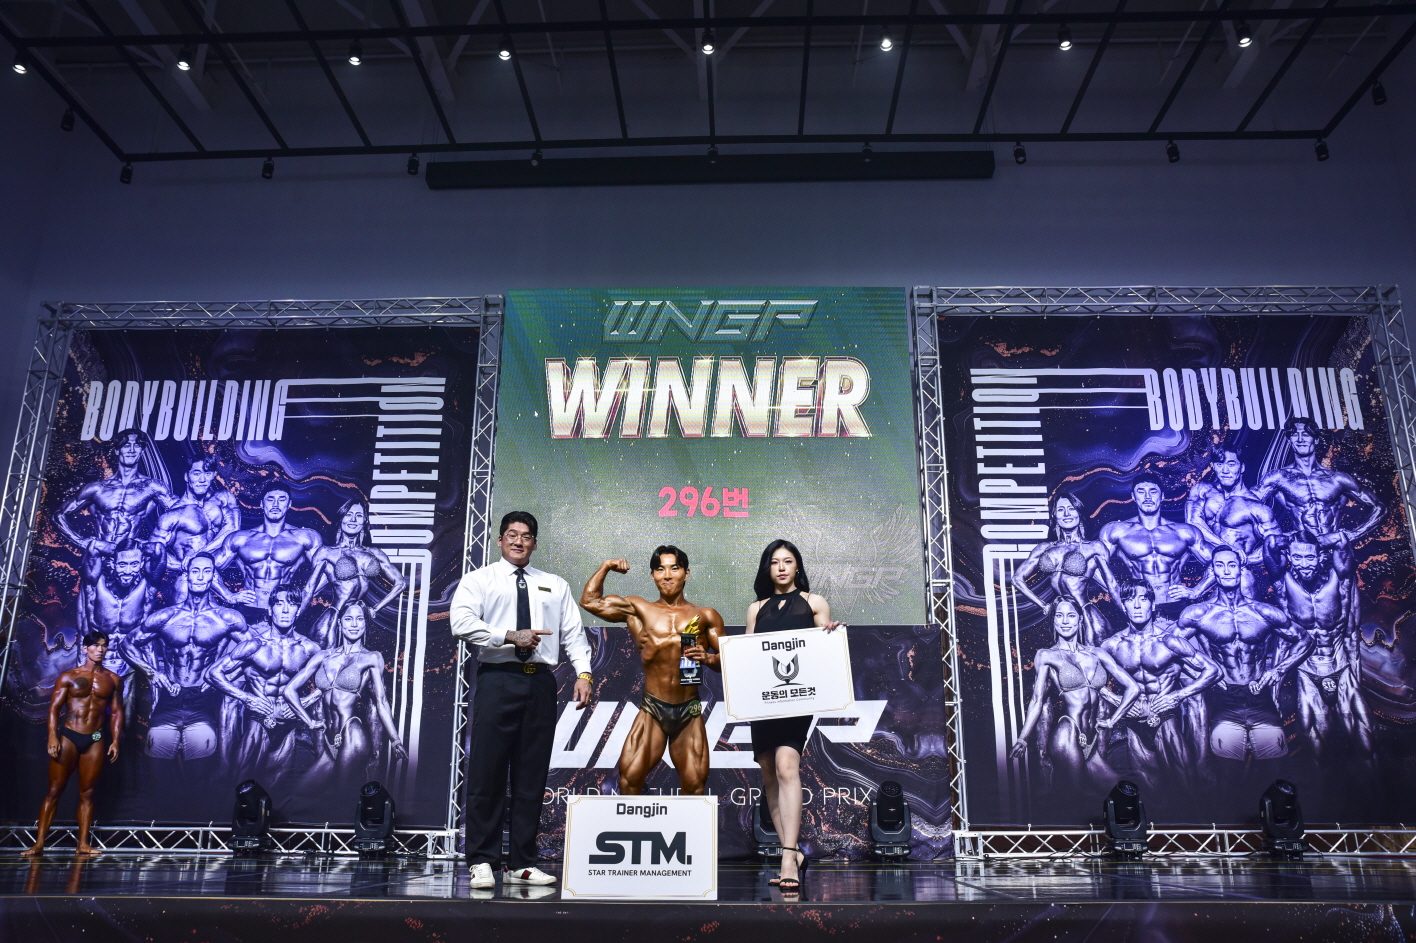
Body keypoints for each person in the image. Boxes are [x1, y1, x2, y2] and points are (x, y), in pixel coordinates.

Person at [450, 511, 593, 890]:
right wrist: (509, 635)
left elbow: (573, 633)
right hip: (498, 679)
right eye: (511, 535)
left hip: (540, 683)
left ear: (535, 543)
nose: (518, 541)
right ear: (500, 540)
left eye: (526, 536)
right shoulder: (480, 579)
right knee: (488, 773)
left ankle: (522, 863)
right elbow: (460, 623)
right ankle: (483, 860)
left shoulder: (554, 584)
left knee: (532, 776)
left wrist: (583, 673)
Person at [579, 546, 724, 795]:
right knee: (629, 780)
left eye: (674, 568)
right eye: (660, 569)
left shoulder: (706, 615)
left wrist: (709, 658)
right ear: (652, 576)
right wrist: (606, 566)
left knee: (694, 786)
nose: (667, 575)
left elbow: (731, 661)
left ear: (686, 573)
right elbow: (589, 601)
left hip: (688, 711)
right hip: (653, 709)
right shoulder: (638, 609)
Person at [745, 539, 843, 892]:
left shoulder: (814, 602)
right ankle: (794, 852)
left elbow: (823, 648)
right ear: (767, 568)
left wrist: (830, 633)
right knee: (770, 774)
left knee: (787, 765)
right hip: (763, 701)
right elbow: (747, 655)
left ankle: (787, 856)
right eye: (775, 562)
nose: (782, 567)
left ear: (797, 566)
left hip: (797, 697)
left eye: (788, 561)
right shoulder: (756, 608)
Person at [1177, 545, 1313, 779]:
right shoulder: (1199, 614)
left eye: (1232, 565)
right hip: (1224, 699)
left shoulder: (1263, 612)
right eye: (1220, 565)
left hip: (1260, 698)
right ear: (1212, 571)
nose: (1226, 570)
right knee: (1228, 779)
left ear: (1241, 569)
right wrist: (1205, 671)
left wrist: (1278, 670)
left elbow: (1305, 640)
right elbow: (1170, 646)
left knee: (1274, 775)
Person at [120, 552, 246, 767]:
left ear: (213, 576)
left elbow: (253, 650)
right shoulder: (166, 617)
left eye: (206, 571)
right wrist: (153, 673)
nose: (200, 576)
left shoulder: (226, 618)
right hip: (169, 698)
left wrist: (221, 673)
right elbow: (126, 644)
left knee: (198, 771)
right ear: (186, 575)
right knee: (158, 770)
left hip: (203, 700)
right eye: (195, 571)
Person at [1099, 582, 1220, 792]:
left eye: (1143, 599)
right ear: (1124, 606)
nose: (1137, 605)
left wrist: (1178, 696)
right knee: (1151, 795)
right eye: (1130, 600)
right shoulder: (1112, 645)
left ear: (1153, 605)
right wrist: (1118, 700)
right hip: (1134, 724)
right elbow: (1089, 680)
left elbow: (1214, 671)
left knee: (1186, 790)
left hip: (1165, 719)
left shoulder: (1168, 642)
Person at [1010, 598, 1141, 791]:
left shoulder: (1097, 653)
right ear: (1054, 620)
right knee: (1078, 798)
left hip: (1090, 740)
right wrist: (1023, 738)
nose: (1065, 621)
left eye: (1071, 616)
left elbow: (1133, 688)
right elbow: (1037, 700)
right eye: (1059, 616)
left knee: (1121, 790)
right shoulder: (1046, 655)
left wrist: (1112, 721)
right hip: (1067, 734)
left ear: (1080, 619)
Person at [23, 630, 125, 858]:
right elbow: (54, 708)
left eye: (104, 645)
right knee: (54, 791)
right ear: (85, 648)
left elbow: (117, 712)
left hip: (95, 738)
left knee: (88, 793)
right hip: (69, 735)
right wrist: (52, 736)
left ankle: (83, 844)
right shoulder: (69, 676)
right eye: (95, 645)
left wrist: (116, 740)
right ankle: (38, 844)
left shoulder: (113, 680)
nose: (100, 649)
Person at [283, 600, 407, 784]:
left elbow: (381, 702)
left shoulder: (372, 658)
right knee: (300, 794)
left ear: (365, 623)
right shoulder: (323, 656)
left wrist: (395, 740)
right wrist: (309, 722)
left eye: (360, 619)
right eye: (349, 619)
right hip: (329, 739)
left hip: (352, 735)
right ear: (340, 622)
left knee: (341, 796)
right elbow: (289, 690)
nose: (354, 624)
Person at [209, 584, 322, 782]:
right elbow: (213, 674)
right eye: (279, 604)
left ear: (298, 611)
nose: (285, 610)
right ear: (270, 610)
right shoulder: (255, 646)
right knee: (240, 783)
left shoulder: (309, 648)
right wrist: (247, 698)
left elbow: (331, 681)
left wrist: (303, 703)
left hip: (289, 725)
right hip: (260, 720)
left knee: (277, 790)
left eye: (291, 604)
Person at [1013, 493, 1121, 645]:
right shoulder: (1044, 548)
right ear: (1054, 515)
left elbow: (1111, 585)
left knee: (1096, 658)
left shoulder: (1094, 547)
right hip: (1061, 615)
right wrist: (1043, 605)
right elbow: (1017, 579)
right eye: (1061, 509)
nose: (1066, 514)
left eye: (1071, 509)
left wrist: (1128, 612)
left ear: (1079, 513)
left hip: (1087, 616)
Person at [302, 497, 408, 648]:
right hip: (334, 619)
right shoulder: (326, 552)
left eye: (358, 516)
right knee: (325, 660)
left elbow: (400, 583)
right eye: (349, 515)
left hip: (358, 618)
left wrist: (375, 609)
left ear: (364, 521)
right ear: (341, 518)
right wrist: (294, 616)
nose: (353, 520)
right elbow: (310, 590)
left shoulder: (374, 553)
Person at [213, 479, 323, 618]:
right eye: (270, 499)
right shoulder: (240, 538)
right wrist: (228, 596)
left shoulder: (304, 538)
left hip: (283, 612)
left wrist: (306, 595)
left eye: (282, 500)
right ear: (261, 504)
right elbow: (206, 567)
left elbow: (327, 570)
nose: (275, 504)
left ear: (289, 504)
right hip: (248, 609)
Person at [1099, 472, 1212, 606]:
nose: (1147, 497)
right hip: (1139, 607)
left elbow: (1220, 560)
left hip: (1175, 604)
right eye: (1141, 492)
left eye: (1153, 491)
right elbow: (1093, 565)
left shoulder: (1184, 532)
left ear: (1162, 496)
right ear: (1133, 497)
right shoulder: (1117, 531)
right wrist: (1116, 592)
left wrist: (1197, 591)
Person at [149, 456, 240, 602]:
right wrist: (185, 565)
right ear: (187, 476)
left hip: (222, 569)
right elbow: (154, 552)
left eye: (207, 473)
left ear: (214, 475)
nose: (202, 479)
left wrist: (199, 554)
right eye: (196, 473)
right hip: (192, 578)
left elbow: (233, 530)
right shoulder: (173, 516)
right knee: (184, 586)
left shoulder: (223, 498)